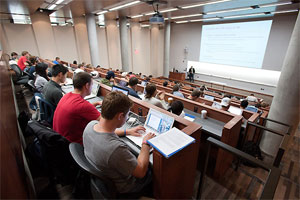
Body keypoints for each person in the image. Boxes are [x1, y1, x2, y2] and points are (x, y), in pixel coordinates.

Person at [83, 91, 154, 194]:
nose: (127, 118)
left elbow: (106, 131)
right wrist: (145, 144)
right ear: (120, 116)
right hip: (127, 187)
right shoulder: (115, 148)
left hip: (104, 176)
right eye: (127, 114)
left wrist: (127, 131)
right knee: (153, 170)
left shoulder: (90, 125)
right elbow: (141, 172)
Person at [53, 72, 102, 144]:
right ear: (87, 85)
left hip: (60, 140)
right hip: (74, 145)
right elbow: (105, 124)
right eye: (92, 84)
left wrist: (97, 103)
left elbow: (81, 109)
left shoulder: (67, 96)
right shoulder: (83, 105)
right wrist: (125, 131)